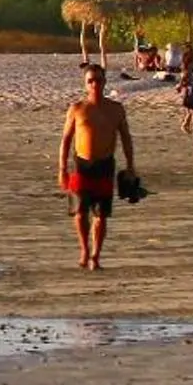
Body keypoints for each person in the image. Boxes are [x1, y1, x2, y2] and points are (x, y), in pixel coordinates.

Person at [59, 64, 137, 271]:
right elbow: (66, 140)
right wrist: (62, 169)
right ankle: (84, 249)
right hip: (81, 164)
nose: (95, 84)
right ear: (85, 84)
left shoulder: (116, 109)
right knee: (79, 212)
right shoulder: (77, 109)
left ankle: (96, 255)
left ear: (104, 82)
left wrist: (131, 166)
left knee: (101, 215)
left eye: (99, 80)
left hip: (105, 165)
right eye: (90, 81)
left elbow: (126, 139)